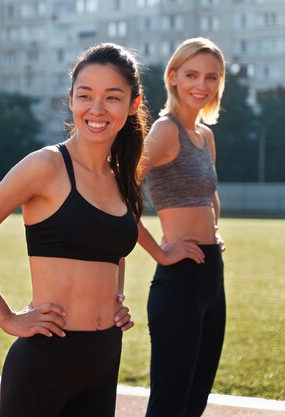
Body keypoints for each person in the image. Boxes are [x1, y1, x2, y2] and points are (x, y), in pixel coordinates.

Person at [0, 43, 146, 417]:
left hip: (104, 360)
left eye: (112, 97)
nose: (97, 109)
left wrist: (115, 299)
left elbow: (113, 248)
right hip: (45, 361)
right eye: (85, 96)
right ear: (70, 100)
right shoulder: (45, 167)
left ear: (133, 104)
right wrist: (6, 318)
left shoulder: (121, 180)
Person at [138, 37, 227, 417]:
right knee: (169, 404)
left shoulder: (204, 135)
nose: (202, 85)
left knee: (195, 402)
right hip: (178, 279)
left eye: (212, 77)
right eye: (192, 74)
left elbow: (210, 194)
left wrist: (213, 230)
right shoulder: (164, 130)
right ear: (173, 76)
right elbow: (115, 191)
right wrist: (160, 251)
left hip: (211, 274)